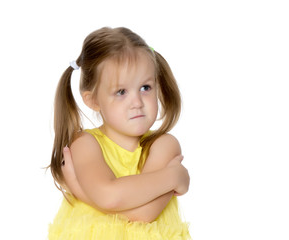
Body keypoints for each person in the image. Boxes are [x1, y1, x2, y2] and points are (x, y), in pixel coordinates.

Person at [48, 27, 191, 239]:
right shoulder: (85, 143)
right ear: (93, 100)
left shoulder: (164, 144)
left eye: (145, 87)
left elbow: (146, 214)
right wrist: (174, 176)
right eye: (121, 92)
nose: (137, 103)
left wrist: (81, 190)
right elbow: (110, 196)